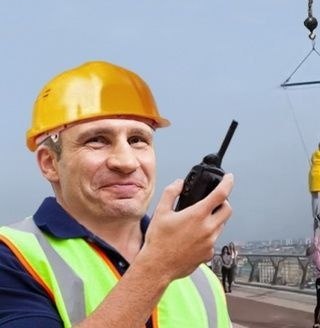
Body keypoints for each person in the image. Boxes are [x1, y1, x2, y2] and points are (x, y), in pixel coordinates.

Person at [0, 61, 234, 327]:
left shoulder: (203, 280)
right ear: (50, 163)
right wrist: (158, 267)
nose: (126, 162)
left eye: (138, 140)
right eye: (97, 140)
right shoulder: (12, 257)